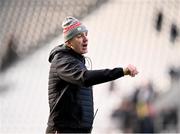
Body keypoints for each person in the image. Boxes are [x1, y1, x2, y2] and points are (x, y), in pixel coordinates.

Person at [46, 16, 138, 133]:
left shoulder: (75, 61)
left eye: (86, 34)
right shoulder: (62, 60)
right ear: (68, 42)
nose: (85, 39)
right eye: (79, 36)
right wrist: (122, 71)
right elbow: (85, 78)